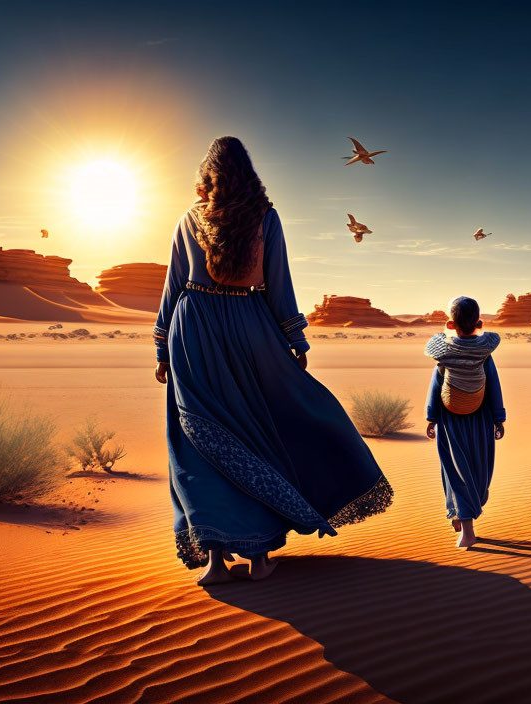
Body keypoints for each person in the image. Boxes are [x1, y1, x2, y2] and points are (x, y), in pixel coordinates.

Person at [154, 136, 392, 586]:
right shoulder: (266, 216)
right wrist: (293, 339)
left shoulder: (187, 219)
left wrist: (162, 346)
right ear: (248, 174)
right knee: (258, 432)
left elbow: (174, 287)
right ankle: (260, 557)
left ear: (207, 175)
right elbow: (278, 285)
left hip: (194, 331)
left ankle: (216, 562)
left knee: (197, 441)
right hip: (249, 327)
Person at [424, 296, 505, 548]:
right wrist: (498, 417)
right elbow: (493, 384)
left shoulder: (444, 353)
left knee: (456, 470)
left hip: (450, 421)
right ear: (479, 323)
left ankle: (463, 515)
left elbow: (436, 385)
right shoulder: (485, 353)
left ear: (450, 324)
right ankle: (467, 523)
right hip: (481, 419)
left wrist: (431, 417)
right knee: (478, 470)